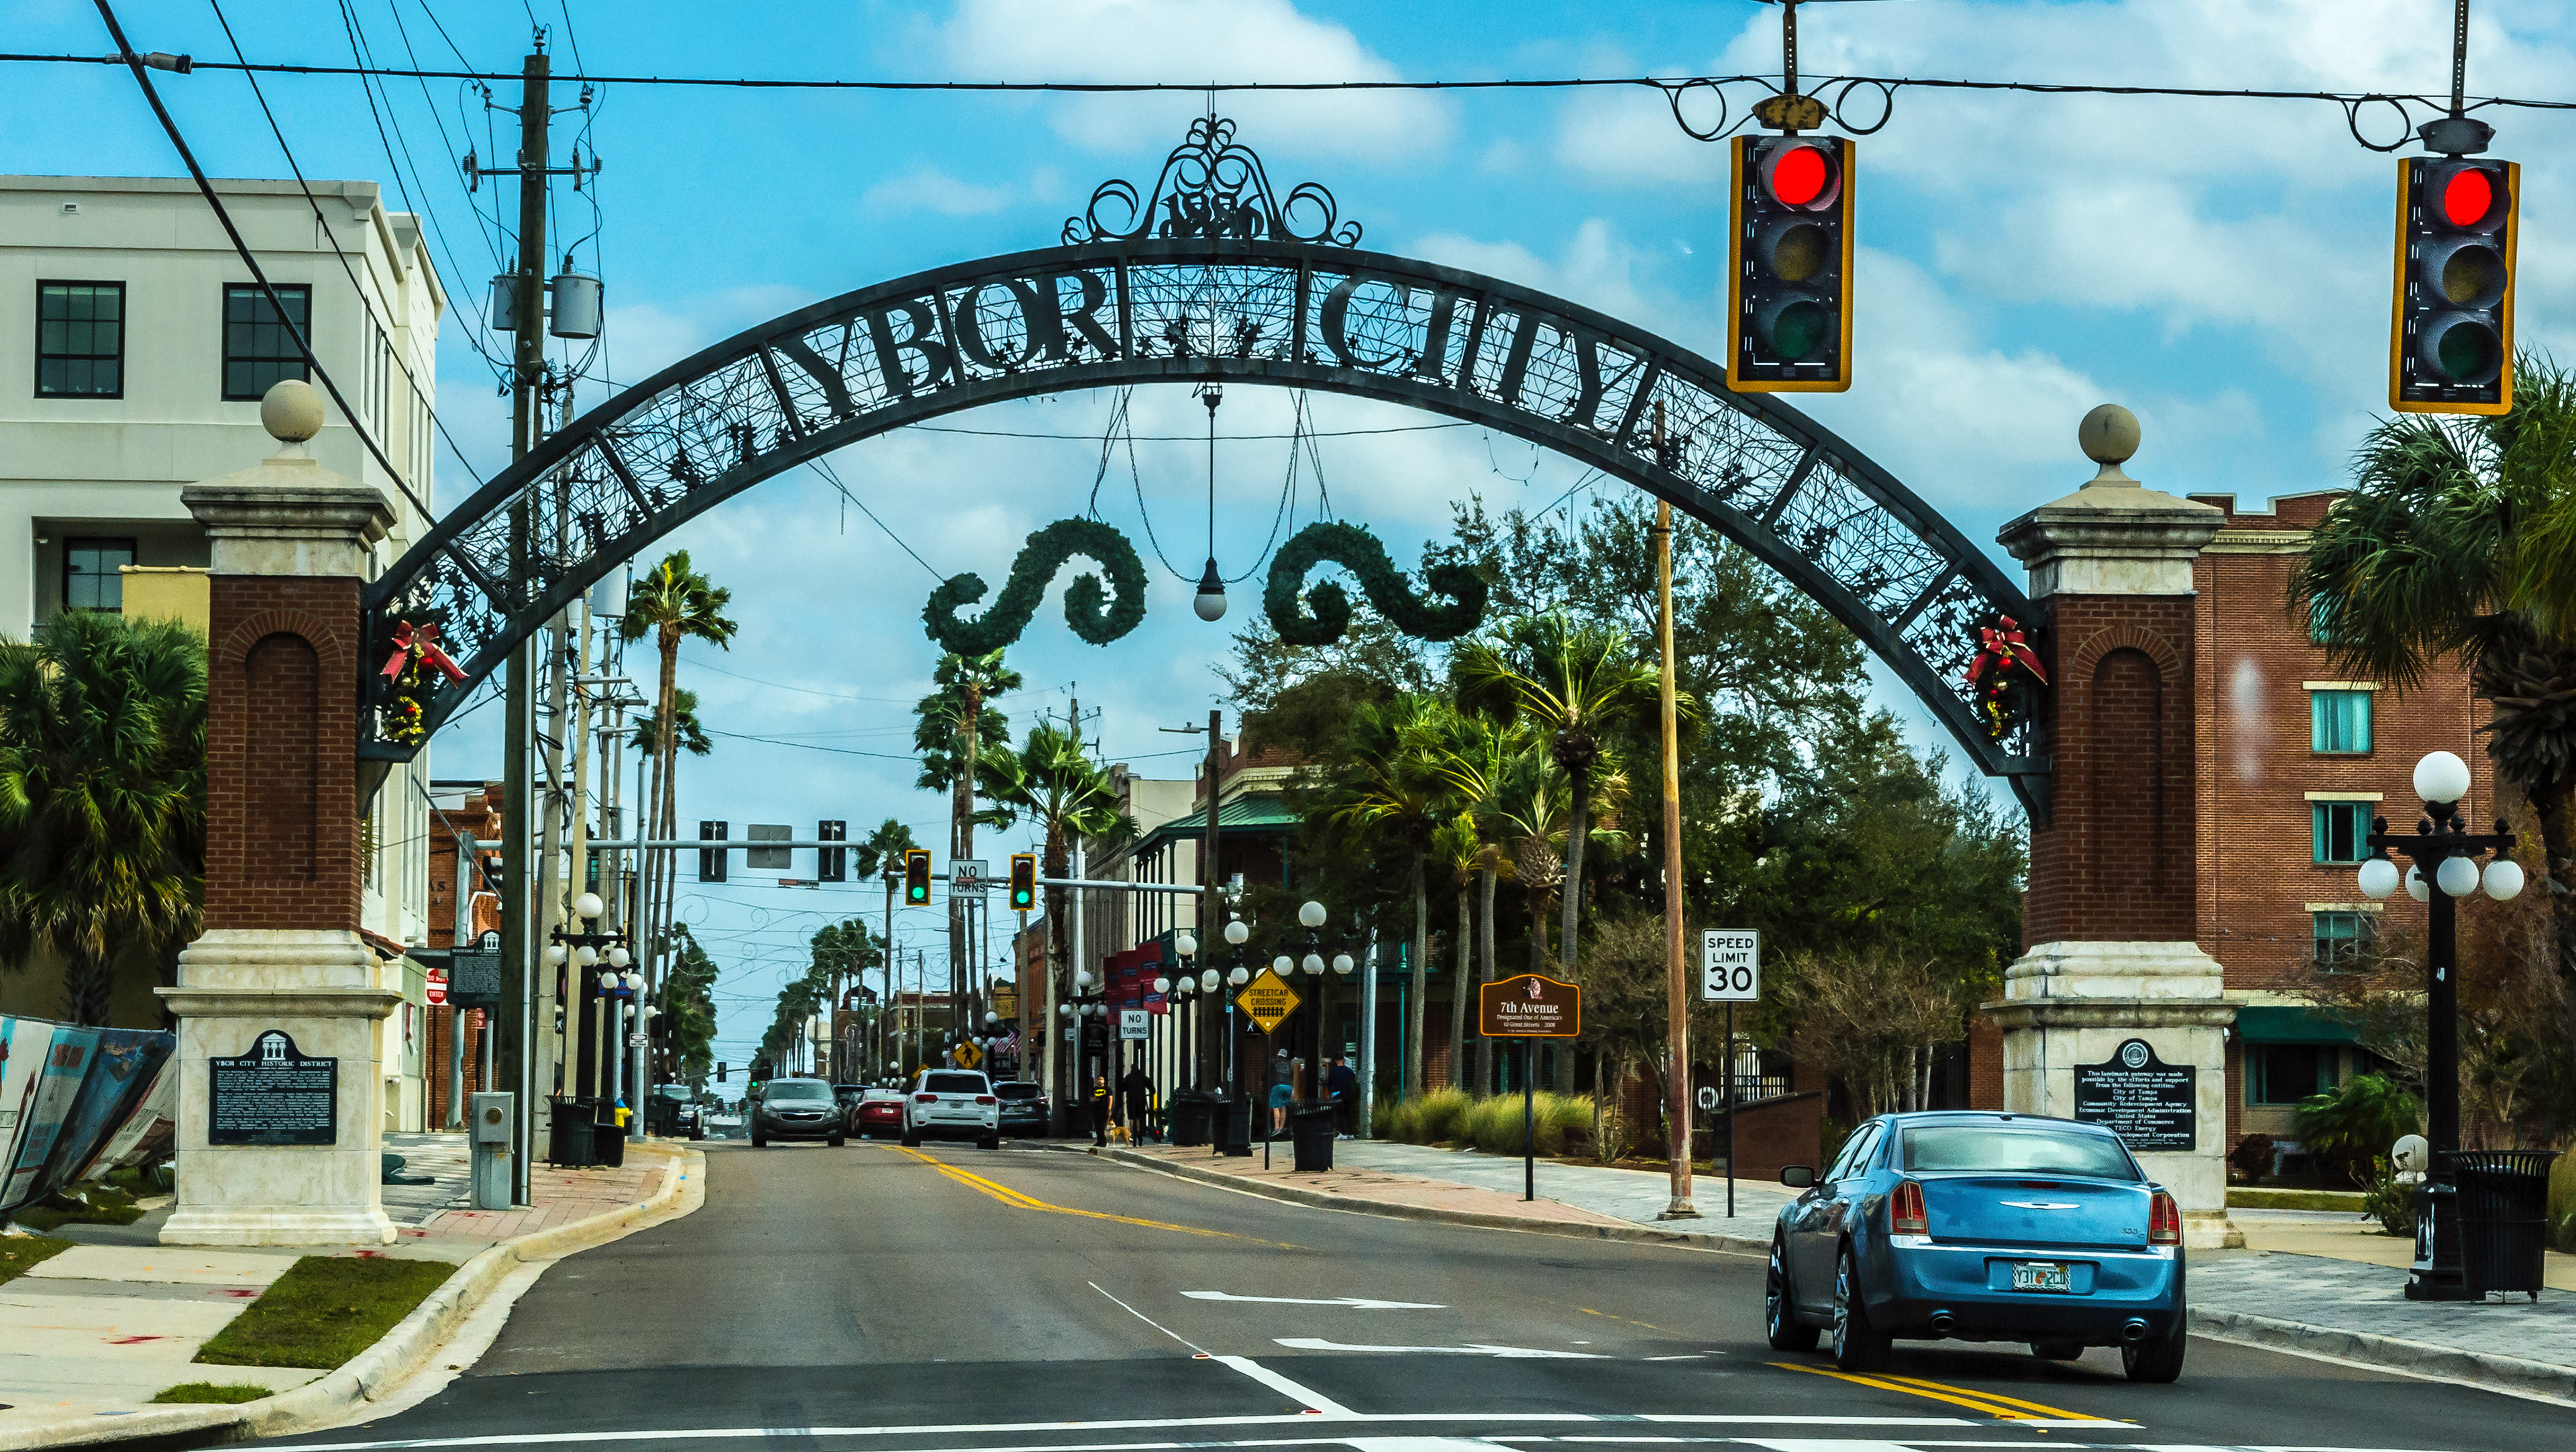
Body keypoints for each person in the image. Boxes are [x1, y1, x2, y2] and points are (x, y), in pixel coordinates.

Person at [1120, 1063, 1155, 1144]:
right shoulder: (1143, 1077)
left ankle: (1132, 1133)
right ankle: (1139, 1132)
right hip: (1141, 1100)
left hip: (1131, 1100)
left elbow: (1123, 1088)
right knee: (1139, 1117)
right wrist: (1151, 1093)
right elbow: (1152, 1089)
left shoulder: (1128, 1077)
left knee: (1132, 1117)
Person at [1326, 1054, 1358, 1139]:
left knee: (1340, 1114)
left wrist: (1329, 1092)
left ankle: (1343, 1133)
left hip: (1337, 1094)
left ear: (1336, 1061)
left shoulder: (1333, 1071)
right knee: (1348, 1113)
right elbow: (1353, 1080)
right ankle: (1351, 1133)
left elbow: (1329, 1083)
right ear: (1343, 1060)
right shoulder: (1349, 1071)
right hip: (1348, 1094)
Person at [1267, 1052, 1294, 1139]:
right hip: (1288, 1087)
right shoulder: (1289, 1064)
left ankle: (1277, 1128)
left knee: (1276, 1108)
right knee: (1283, 1108)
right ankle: (1282, 1128)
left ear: (1278, 1054)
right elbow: (1292, 1076)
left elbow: (1267, 1074)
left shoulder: (1273, 1062)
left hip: (1277, 1085)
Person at [1088, 1074, 1112, 1146]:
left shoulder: (1107, 1089)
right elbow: (1091, 1099)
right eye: (1098, 1079)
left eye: (1101, 1079)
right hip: (1096, 1110)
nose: (1100, 1081)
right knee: (1097, 1126)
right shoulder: (1094, 1089)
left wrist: (1109, 1109)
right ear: (1096, 1081)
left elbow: (1110, 1099)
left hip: (1104, 1110)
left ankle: (1104, 1142)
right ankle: (1099, 1141)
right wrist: (1093, 1100)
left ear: (1104, 1081)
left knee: (1102, 1126)